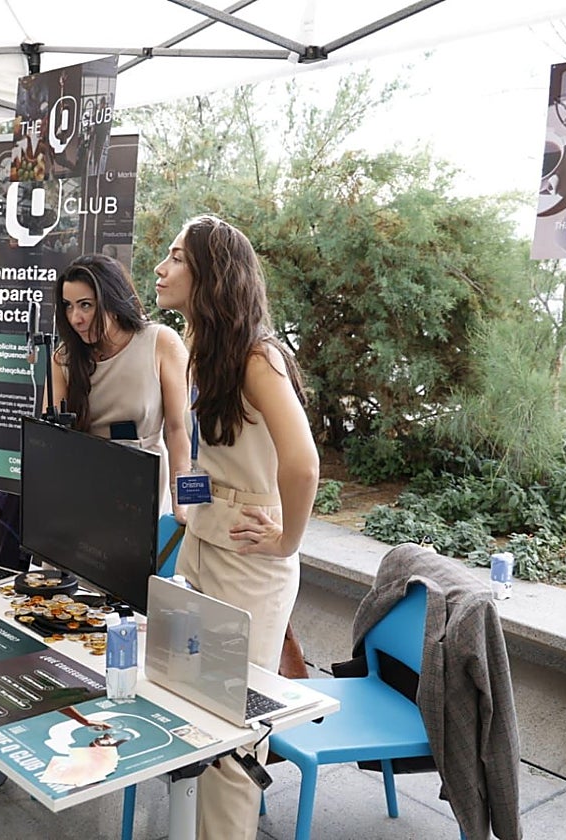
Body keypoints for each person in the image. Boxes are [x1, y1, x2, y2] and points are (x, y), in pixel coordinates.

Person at [154, 214, 319, 840]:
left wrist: (286, 542)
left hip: (251, 563)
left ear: (210, 273)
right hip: (203, 544)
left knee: (231, 735)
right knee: (191, 714)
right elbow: (206, 453)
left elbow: (303, 466)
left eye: (175, 258)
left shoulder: (257, 357)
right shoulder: (206, 348)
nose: (162, 269)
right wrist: (187, 500)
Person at [49, 253, 189, 516]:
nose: (75, 317)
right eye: (68, 306)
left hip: (142, 485)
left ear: (111, 301)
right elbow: (51, 439)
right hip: (83, 487)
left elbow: (177, 429)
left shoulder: (159, 341)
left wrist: (181, 501)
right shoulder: (63, 358)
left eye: (86, 305)